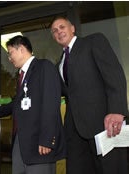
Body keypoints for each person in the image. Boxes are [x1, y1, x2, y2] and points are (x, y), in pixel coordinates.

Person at [51, 16, 128, 174]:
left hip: (104, 126)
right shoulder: (59, 63)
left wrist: (117, 110)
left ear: (72, 28)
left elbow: (114, 75)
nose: (58, 32)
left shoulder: (93, 42)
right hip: (75, 133)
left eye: (62, 27)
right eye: (54, 31)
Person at [0, 35, 66, 174]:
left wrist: (47, 139)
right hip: (21, 141)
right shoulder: (22, 76)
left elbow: (51, 103)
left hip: (39, 142)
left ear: (21, 49)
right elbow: (19, 102)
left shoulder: (44, 67)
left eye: (10, 52)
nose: (9, 58)